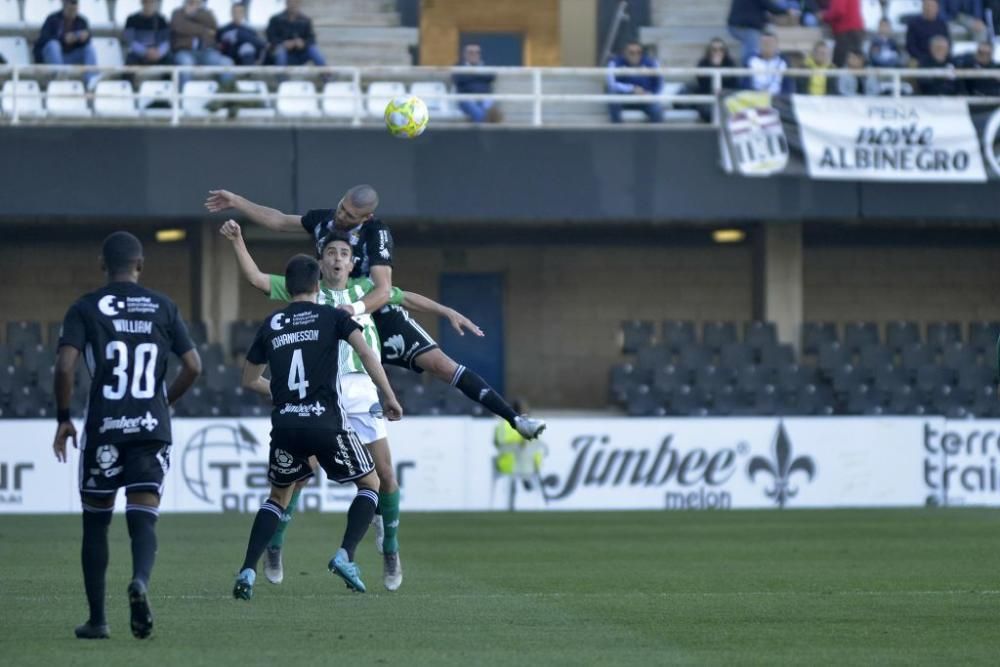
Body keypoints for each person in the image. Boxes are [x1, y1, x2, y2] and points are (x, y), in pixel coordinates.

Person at [220, 221, 466, 590]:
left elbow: (404, 296)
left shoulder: (364, 290)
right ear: (320, 266)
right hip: (328, 396)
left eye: (345, 253)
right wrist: (392, 395)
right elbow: (256, 278)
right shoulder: (324, 308)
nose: (338, 258)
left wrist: (445, 310)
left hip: (352, 392)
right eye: (331, 252)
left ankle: (390, 549)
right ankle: (292, 547)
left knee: (384, 475)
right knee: (309, 478)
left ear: (353, 264)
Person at [204, 185, 546, 441]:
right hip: (333, 311)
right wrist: (238, 202)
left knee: (443, 366)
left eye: (349, 216)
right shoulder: (325, 221)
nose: (340, 216)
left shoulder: (376, 234)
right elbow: (278, 221)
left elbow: (386, 292)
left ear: (364, 218)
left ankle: (515, 419)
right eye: (341, 208)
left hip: (370, 311)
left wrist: (442, 311)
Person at [53, 231, 202, 639]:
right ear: (140, 264)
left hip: (105, 429)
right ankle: (139, 581)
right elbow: (193, 366)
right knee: (143, 518)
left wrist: (64, 418)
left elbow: (65, 367)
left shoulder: (85, 308)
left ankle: (98, 620)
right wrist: (164, 401)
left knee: (96, 524)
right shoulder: (163, 306)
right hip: (151, 428)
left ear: (103, 264)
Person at [233, 254, 403, 598]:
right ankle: (346, 554)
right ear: (316, 285)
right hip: (326, 422)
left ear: (289, 283)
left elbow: (249, 380)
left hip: (285, 425)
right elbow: (368, 354)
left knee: (278, 497)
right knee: (371, 484)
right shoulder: (332, 316)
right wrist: (388, 395)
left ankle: (248, 570)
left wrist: (283, 394)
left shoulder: (272, 323)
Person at [492, 399, 548, 511]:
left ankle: (514, 491)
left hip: (506, 465)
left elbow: (496, 443)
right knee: (528, 452)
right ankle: (528, 484)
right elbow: (538, 446)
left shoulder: (502, 426)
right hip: (530, 466)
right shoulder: (531, 425)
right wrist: (536, 465)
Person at [34, 0, 97, 89]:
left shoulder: (82, 21)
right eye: (70, 5)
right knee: (53, 45)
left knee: (89, 48)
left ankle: (91, 81)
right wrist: (63, 39)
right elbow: (42, 40)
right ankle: (61, 76)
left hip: (70, 57)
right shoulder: (52, 19)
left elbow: (87, 41)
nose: (73, 8)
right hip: (52, 58)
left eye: (75, 5)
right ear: (64, 4)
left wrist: (85, 38)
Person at [170, 0, 234, 86]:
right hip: (185, 51)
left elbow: (214, 27)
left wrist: (193, 13)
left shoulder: (207, 13)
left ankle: (226, 97)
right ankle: (184, 98)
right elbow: (179, 26)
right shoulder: (177, 13)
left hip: (207, 52)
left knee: (227, 62)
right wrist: (204, 30)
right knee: (186, 65)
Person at [606, 40, 663, 124]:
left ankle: (654, 135)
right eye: (631, 53)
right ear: (625, 53)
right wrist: (631, 89)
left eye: (638, 52)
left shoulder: (651, 62)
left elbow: (659, 82)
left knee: (656, 109)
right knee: (613, 96)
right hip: (624, 97)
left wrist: (651, 94)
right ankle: (617, 132)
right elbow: (611, 84)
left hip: (644, 97)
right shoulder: (615, 62)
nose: (635, 55)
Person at [685, 38, 739, 122]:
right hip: (707, 97)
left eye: (721, 49)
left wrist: (718, 67)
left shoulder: (730, 63)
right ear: (709, 51)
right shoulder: (703, 63)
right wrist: (715, 66)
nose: (718, 52)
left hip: (725, 98)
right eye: (714, 49)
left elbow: (733, 84)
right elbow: (703, 85)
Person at [727, 0, 798, 63]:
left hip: (745, 25)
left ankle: (771, 61)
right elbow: (772, 8)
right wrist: (787, 11)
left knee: (769, 31)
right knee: (752, 48)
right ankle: (748, 70)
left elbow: (757, 10)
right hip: (740, 26)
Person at [452, 43, 501, 123]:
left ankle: (485, 128)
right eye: (471, 52)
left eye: (477, 52)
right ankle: (485, 129)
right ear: (465, 54)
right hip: (467, 99)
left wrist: (469, 75)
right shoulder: (459, 66)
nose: (474, 55)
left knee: (491, 110)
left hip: (485, 98)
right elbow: (458, 79)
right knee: (479, 112)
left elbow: (491, 77)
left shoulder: (486, 66)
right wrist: (479, 74)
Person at [266, 0, 325, 67]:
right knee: (280, 50)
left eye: (296, 2)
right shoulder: (275, 19)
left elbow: (312, 39)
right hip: (281, 55)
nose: (293, 4)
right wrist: (283, 43)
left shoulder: (305, 20)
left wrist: (303, 43)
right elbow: (270, 38)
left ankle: (326, 75)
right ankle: (282, 76)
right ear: (287, 3)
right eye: (291, 2)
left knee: (313, 49)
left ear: (299, 3)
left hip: (300, 54)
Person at [123, 0, 171, 67]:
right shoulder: (131, 19)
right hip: (138, 54)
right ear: (142, 2)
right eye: (146, 2)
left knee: (170, 61)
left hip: (157, 54)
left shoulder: (162, 20)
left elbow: (166, 41)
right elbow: (129, 41)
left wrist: (159, 52)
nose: (149, 5)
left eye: (151, 2)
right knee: (130, 62)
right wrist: (145, 52)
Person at [217, 2, 266, 66]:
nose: (237, 14)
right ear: (231, 13)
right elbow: (220, 46)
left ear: (243, 14)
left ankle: (248, 73)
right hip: (229, 58)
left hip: (247, 58)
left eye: (240, 12)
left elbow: (260, 46)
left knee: (247, 47)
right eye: (235, 12)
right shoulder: (223, 30)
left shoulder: (250, 30)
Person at [822, 0, 865, 66]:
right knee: (857, 62)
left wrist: (824, 17)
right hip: (856, 30)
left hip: (845, 31)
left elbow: (839, 11)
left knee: (839, 63)